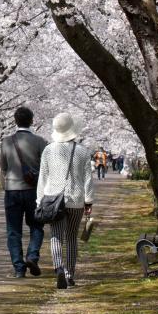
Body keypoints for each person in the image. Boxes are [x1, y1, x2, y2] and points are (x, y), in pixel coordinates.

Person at [37, 113, 94, 289]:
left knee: (55, 237)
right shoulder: (83, 151)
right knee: (71, 238)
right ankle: (69, 274)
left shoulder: (48, 150)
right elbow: (88, 179)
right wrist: (88, 201)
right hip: (76, 200)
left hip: (54, 201)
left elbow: (43, 177)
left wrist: (39, 200)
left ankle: (58, 268)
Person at [0, 106, 47, 278]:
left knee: (13, 231)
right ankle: (32, 255)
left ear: (15, 120)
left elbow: (3, 167)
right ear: (32, 120)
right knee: (36, 226)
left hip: (12, 190)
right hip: (33, 191)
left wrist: (5, 186)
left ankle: (19, 268)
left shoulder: (6, 142)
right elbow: (46, 167)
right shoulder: (40, 142)